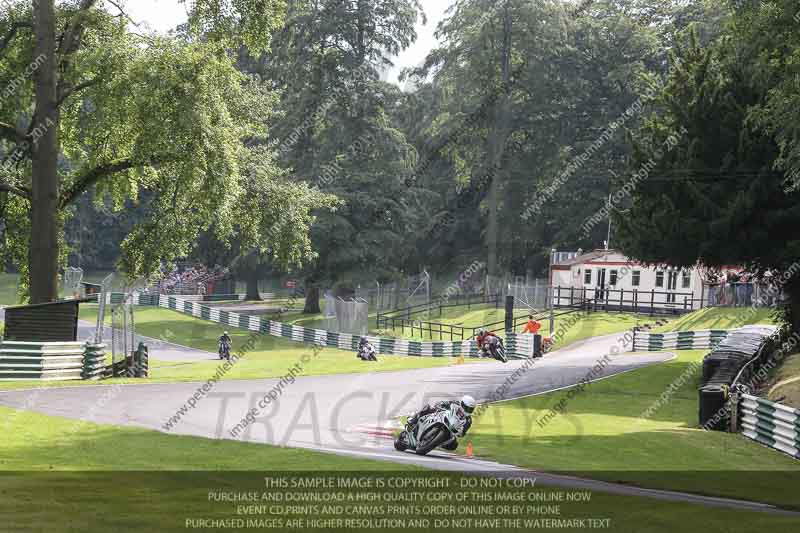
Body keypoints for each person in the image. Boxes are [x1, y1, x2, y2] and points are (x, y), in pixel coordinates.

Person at [406, 395, 476, 449]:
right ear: (462, 404)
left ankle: (435, 443)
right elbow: (441, 403)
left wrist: (460, 433)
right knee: (427, 408)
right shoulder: (454, 404)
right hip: (441, 416)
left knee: (454, 445)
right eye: (467, 408)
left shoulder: (468, 420)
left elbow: (463, 433)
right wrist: (439, 406)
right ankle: (412, 421)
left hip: (451, 430)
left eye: (470, 409)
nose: (467, 410)